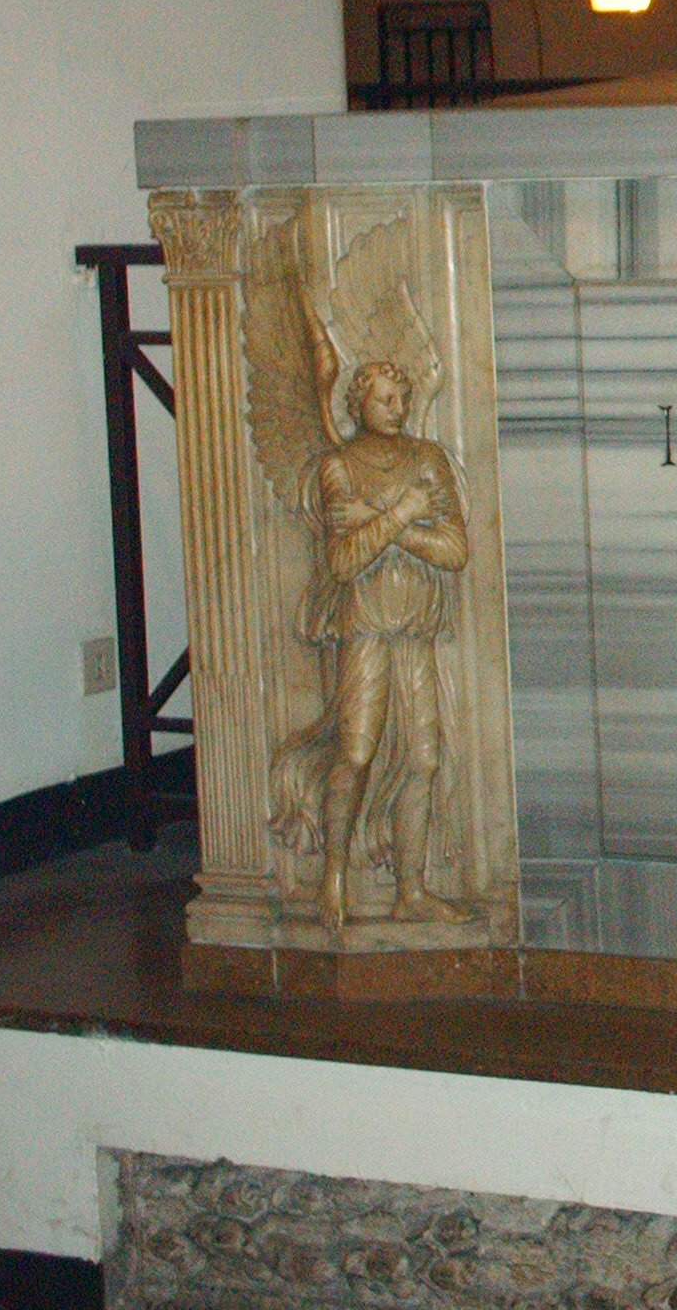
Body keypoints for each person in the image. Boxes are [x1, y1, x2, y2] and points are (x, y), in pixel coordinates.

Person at [270, 358, 472, 932]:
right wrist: (408, 513)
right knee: (356, 751)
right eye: (385, 399)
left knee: (424, 759)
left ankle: (411, 889)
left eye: (401, 399)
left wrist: (387, 520)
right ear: (358, 403)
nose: (398, 409)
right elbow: (342, 560)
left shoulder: (428, 459)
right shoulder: (339, 468)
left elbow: (456, 550)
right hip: (367, 629)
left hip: (416, 627)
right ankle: (332, 874)